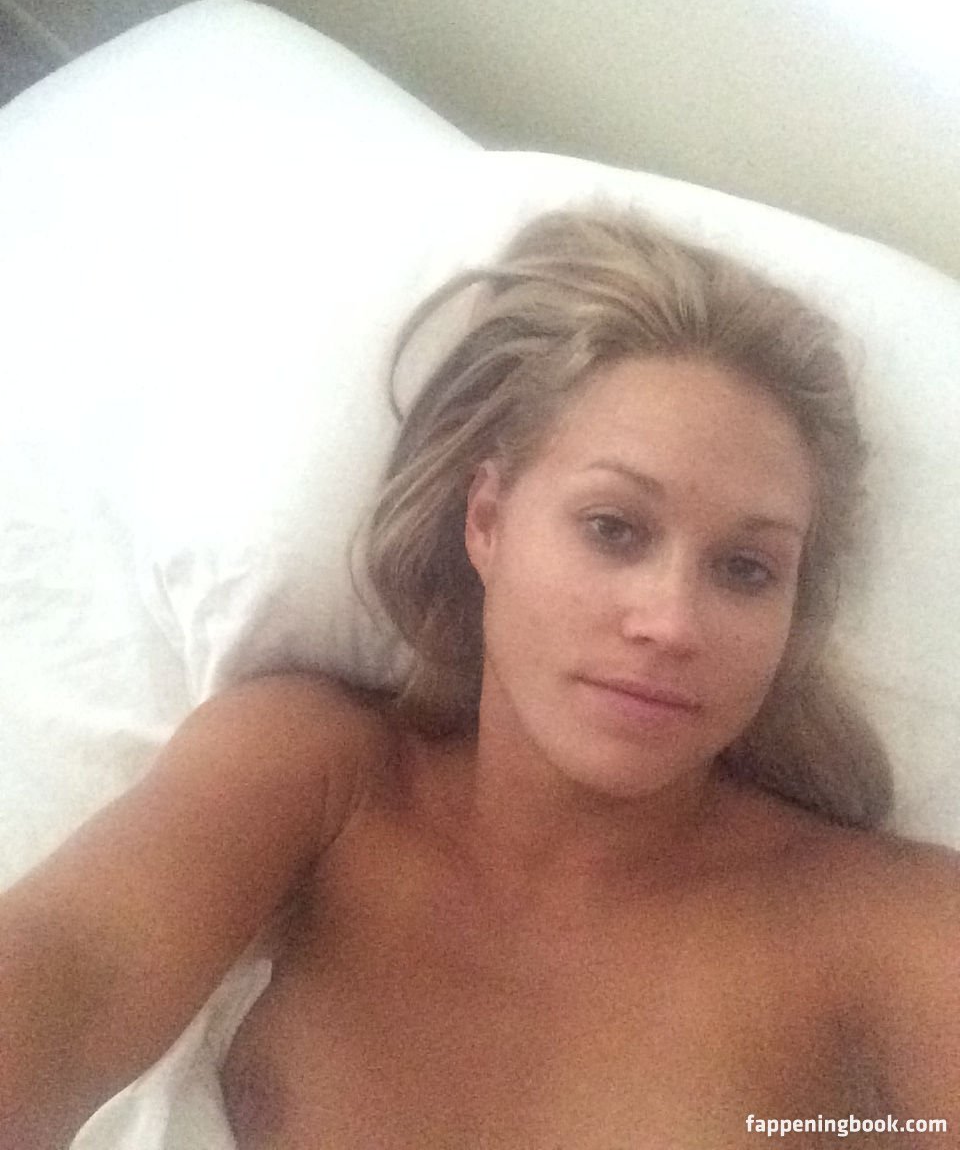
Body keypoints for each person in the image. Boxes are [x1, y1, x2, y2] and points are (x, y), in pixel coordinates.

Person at [2, 206, 958, 1150]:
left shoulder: (889, 933)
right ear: (488, 520)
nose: (671, 623)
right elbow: (79, 964)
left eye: (746, 570)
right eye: (613, 528)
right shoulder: (319, 782)